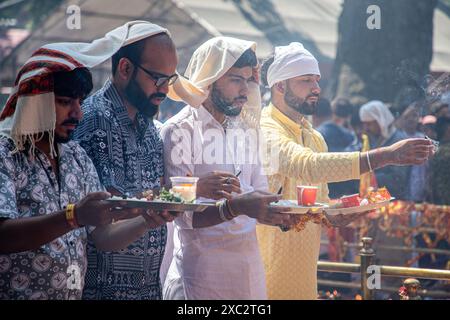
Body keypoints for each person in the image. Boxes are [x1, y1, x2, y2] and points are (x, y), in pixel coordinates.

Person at [256, 42, 434, 299]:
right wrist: (386, 155)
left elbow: (319, 205)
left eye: (316, 80)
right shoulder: (265, 128)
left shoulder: (315, 137)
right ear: (280, 86)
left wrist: (334, 215)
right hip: (266, 273)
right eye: (306, 80)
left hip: (304, 272)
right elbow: (307, 166)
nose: (316, 88)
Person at [0, 42, 143, 299]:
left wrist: (147, 219)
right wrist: (73, 216)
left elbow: (101, 237)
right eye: (65, 102)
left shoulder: (76, 156)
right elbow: (2, 236)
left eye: (80, 101)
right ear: (35, 103)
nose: (77, 112)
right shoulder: (6, 154)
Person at [161, 36, 297, 299]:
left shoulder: (245, 130)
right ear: (209, 81)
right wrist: (236, 207)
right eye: (236, 79)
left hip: (248, 271)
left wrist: (281, 214)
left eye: (248, 80)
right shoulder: (180, 130)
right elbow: (180, 212)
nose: (245, 90)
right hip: (201, 275)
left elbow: (258, 192)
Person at [73, 22, 179, 300]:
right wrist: (155, 205)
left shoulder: (149, 127)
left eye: (170, 79)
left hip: (147, 290)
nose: (165, 89)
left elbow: (151, 199)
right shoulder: (95, 120)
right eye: (157, 78)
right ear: (125, 69)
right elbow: (105, 216)